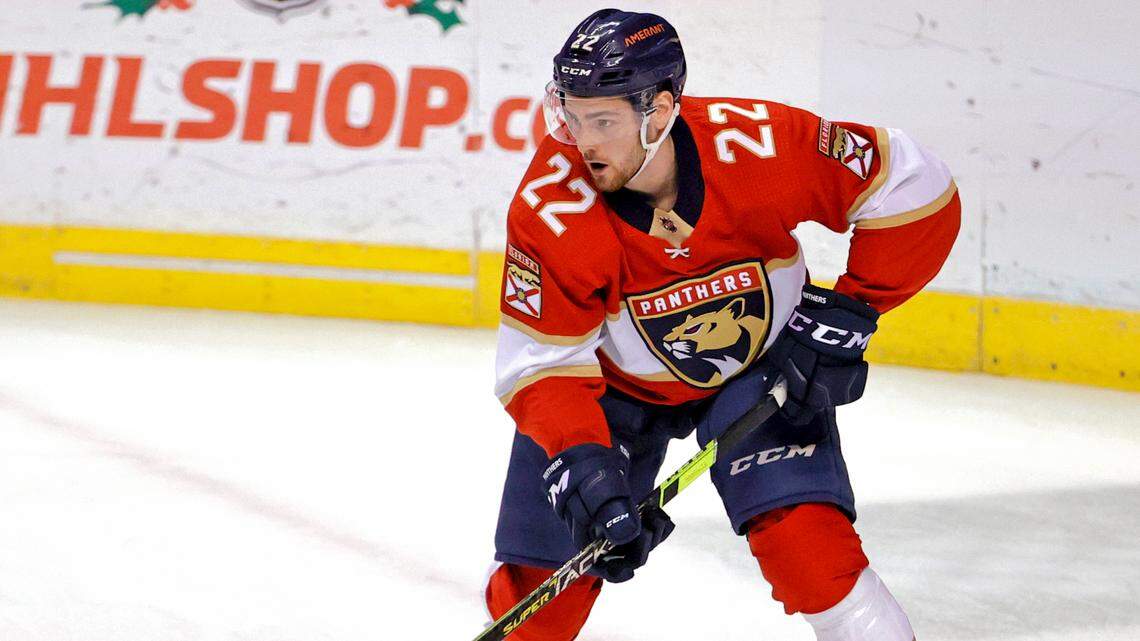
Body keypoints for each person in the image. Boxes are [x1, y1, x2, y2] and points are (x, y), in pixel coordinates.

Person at [485, 8, 959, 641]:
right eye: (569, 113)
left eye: (602, 120)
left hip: (762, 368)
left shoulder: (758, 143)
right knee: (543, 596)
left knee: (810, 554)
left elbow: (912, 184)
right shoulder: (551, 207)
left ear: (658, 110)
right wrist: (585, 463)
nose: (581, 139)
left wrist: (853, 308)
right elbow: (539, 364)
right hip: (611, 390)